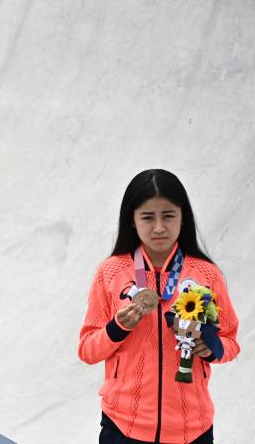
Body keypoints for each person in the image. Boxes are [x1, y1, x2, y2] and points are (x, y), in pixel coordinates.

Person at [78, 169, 239, 443]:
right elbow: (87, 351)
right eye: (148, 217)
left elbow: (231, 343)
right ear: (132, 219)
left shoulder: (206, 274)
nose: (159, 227)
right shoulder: (111, 272)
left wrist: (211, 348)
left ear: (182, 216)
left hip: (192, 429)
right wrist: (117, 328)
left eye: (168, 215)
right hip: (123, 426)